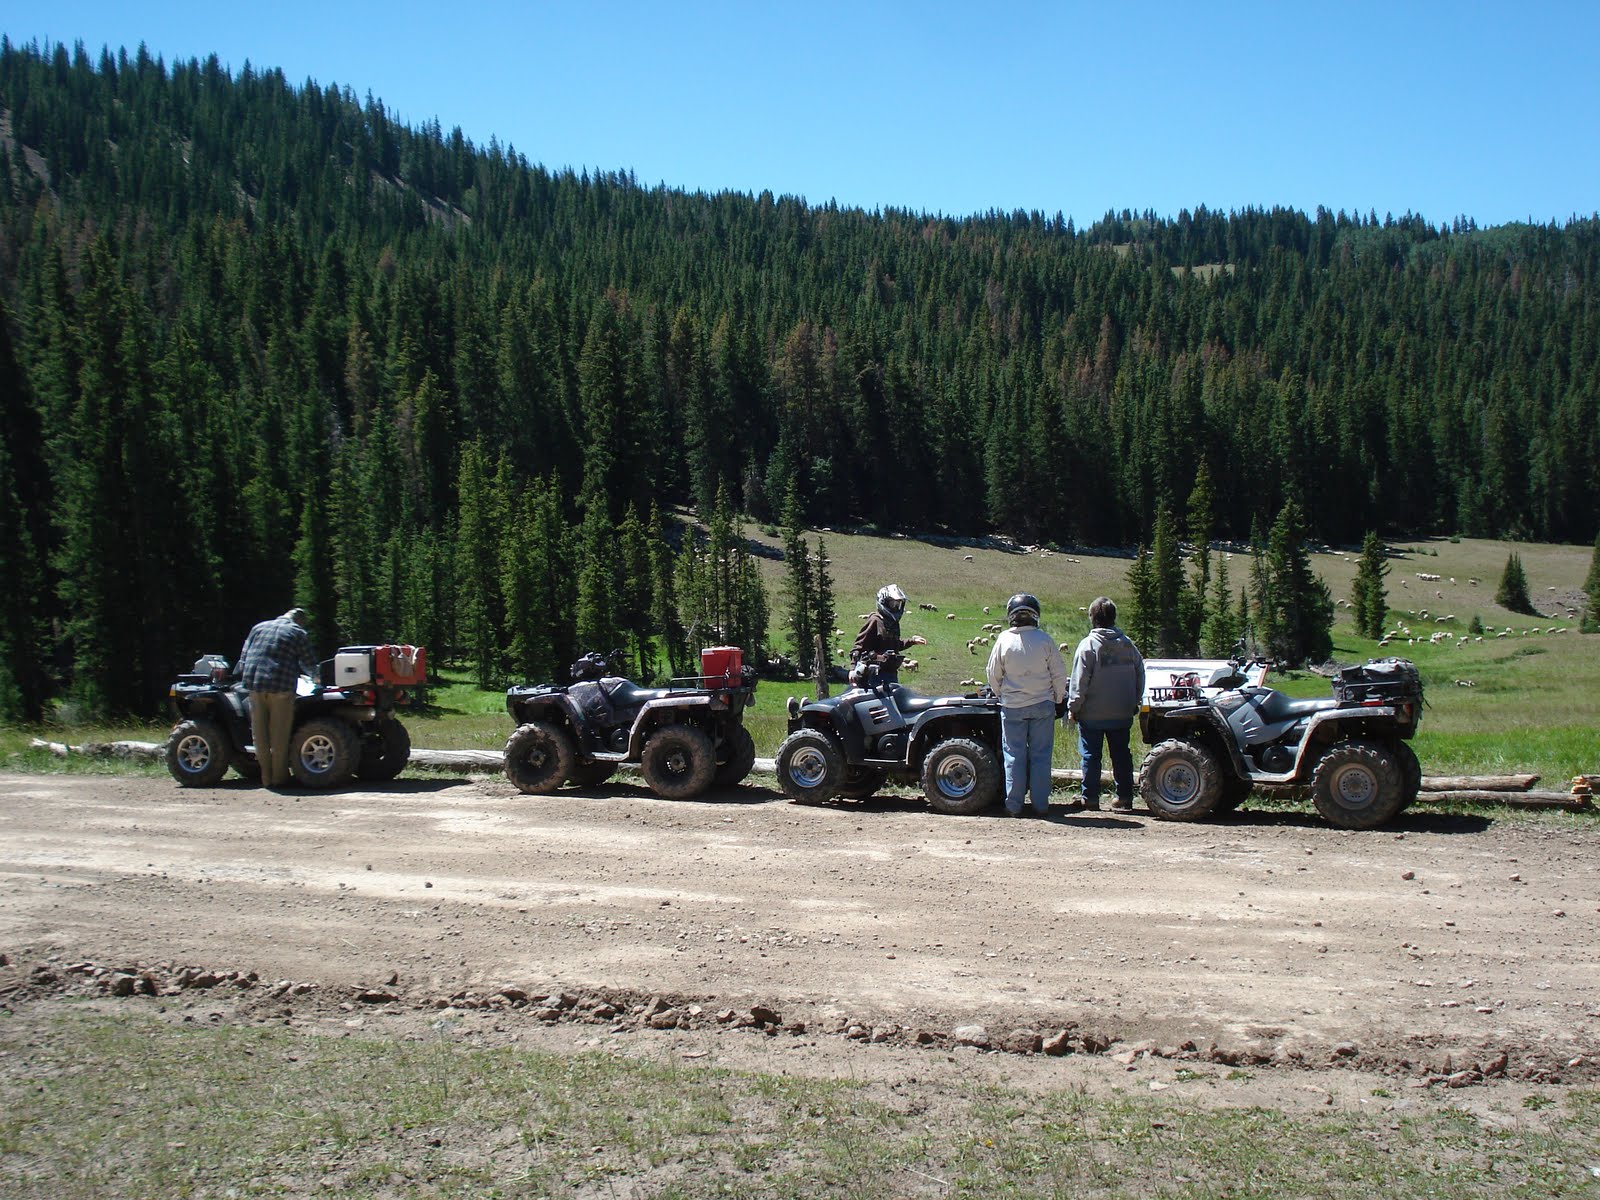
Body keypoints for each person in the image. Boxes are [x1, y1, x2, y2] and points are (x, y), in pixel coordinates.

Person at [985, 593, 1067, 817]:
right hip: (1042, 704)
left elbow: (993, 673)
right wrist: (1058, 698)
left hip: (1012, 706)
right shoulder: (1045, 640)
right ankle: (1041, 805)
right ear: (1035, 615)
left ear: (1011, 616)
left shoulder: (1003, 639)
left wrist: (1001, 694)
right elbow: (1058, 674)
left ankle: (1014, 805)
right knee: (1041, 756)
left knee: (1014, 755)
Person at [1067, 596, 1146, 812]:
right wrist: (1135, 700)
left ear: (1092, 618)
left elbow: (1079, 682)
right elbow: (1140, 673)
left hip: (1092, 713)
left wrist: (1073, 708)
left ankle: (1090, 797)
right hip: (1121, 711)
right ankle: (1124, 797)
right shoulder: (1128, 645)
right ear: (1113, 617)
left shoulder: (1088, 646)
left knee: (1091, 755)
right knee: (1121, 754)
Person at [237, 607, 317, 788]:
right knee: (279, 735)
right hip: (280, 686)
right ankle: (279, 779)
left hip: (254, 685)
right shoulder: (297, 632)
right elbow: (309, 663)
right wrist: (318, 679)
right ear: (300, 621)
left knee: (260, 735)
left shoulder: (258, 627)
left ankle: (266, 779)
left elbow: (243, 657)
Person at [850, 584, 926, 686]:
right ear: (883, 602)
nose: (895, 607)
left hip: (891, 675)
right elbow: (858, 646)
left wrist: (912, 641)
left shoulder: (893, 624)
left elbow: (893, 645)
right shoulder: (875, 621)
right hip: (873, 675)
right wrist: (852, 668)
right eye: (892, 604)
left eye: (898, 604)